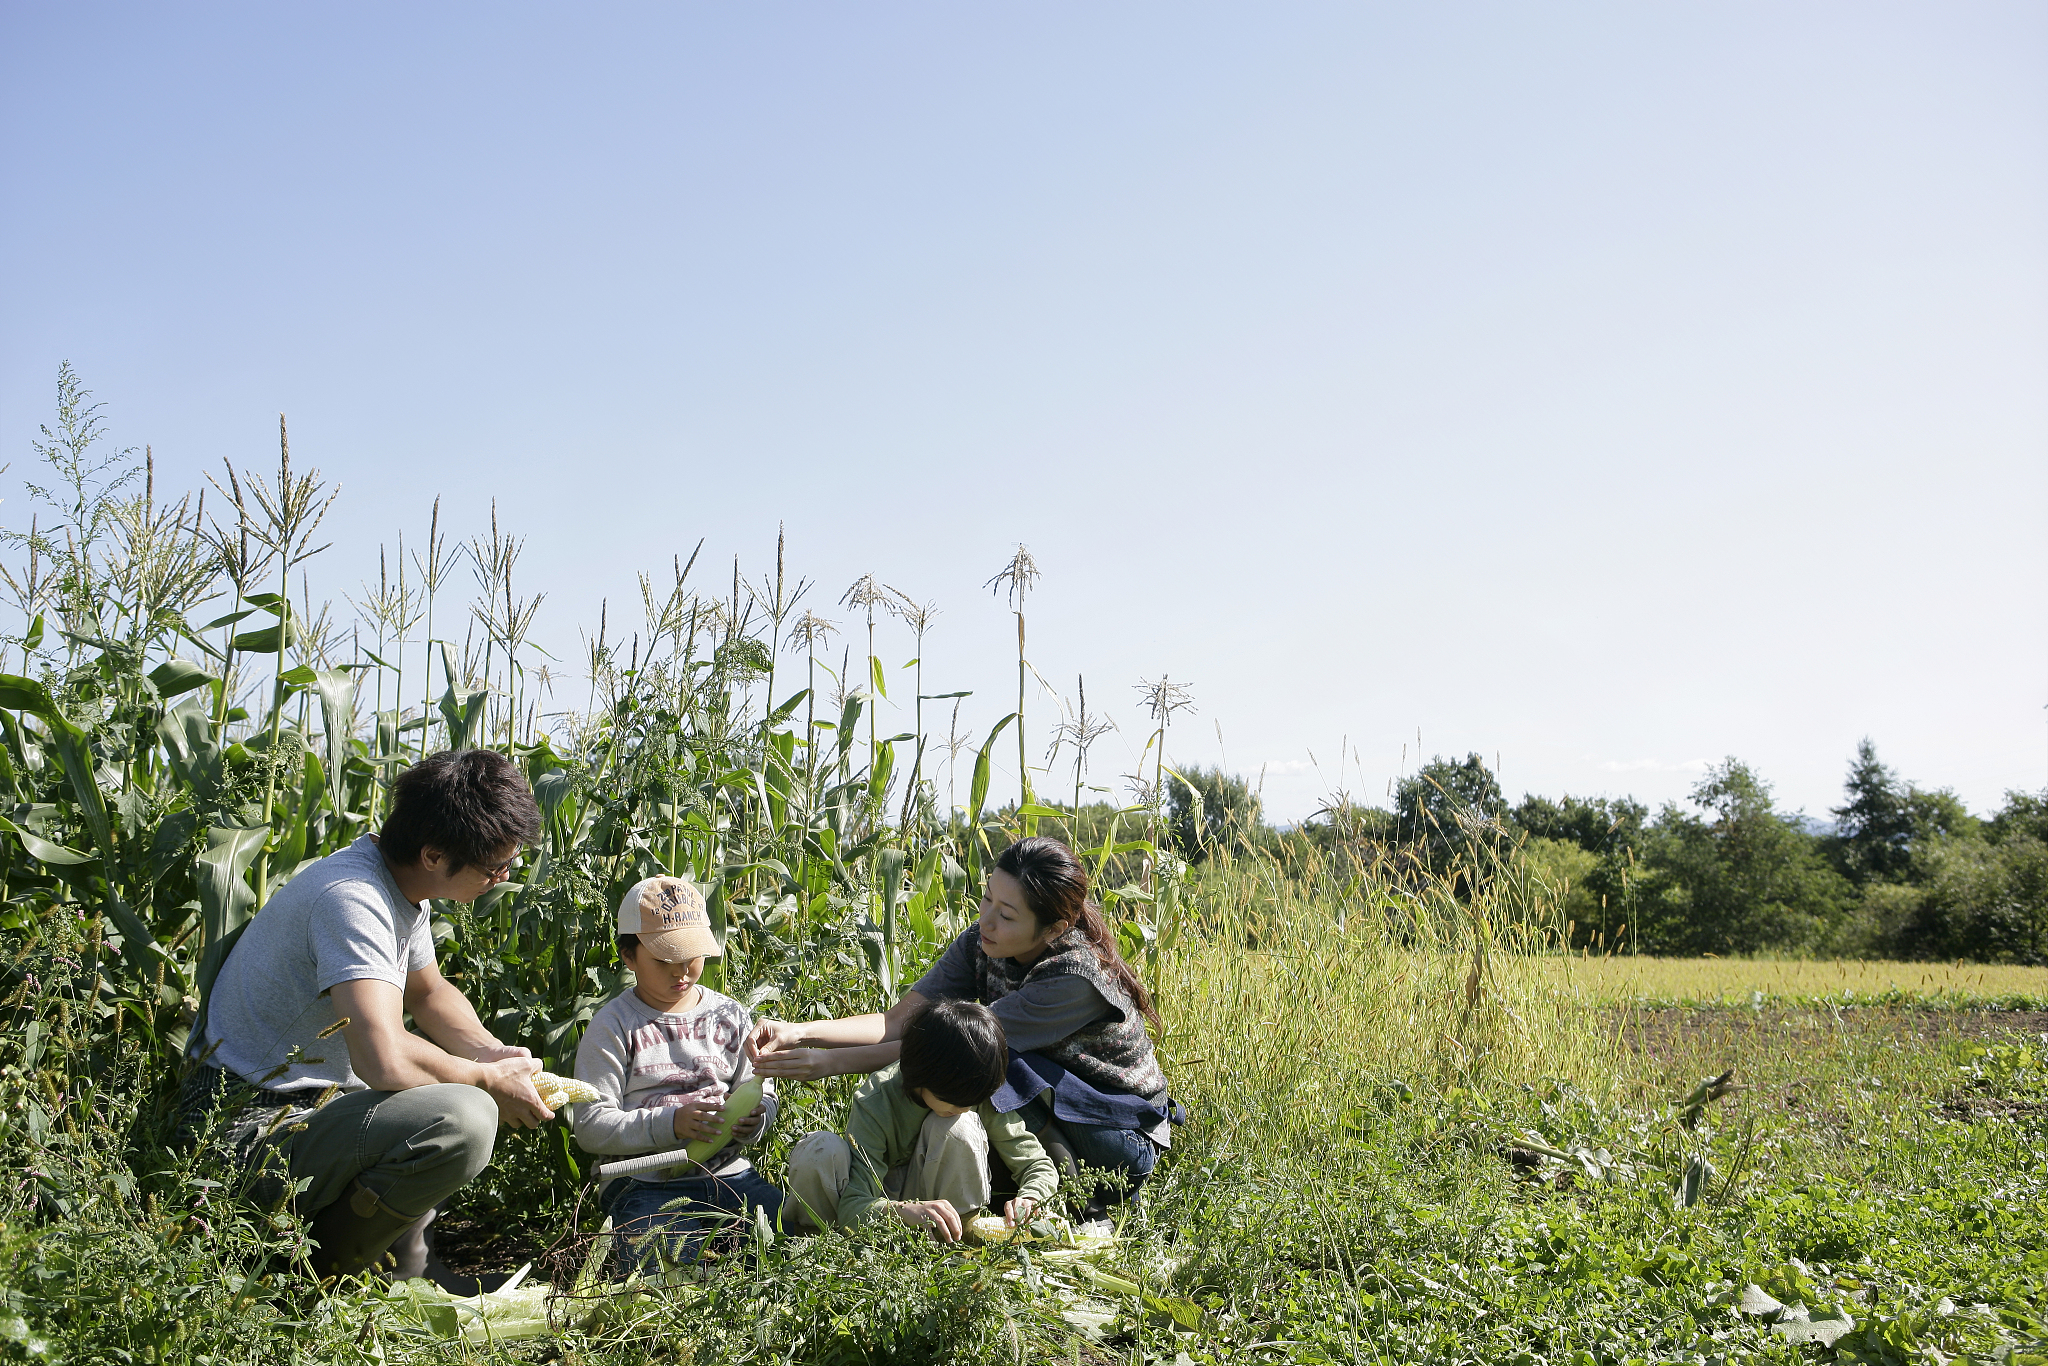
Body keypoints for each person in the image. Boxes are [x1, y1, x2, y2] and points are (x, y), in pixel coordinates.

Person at [177, 748, 549, 1288]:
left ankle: (399, 1277)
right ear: (432, 854)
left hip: (315, 1104)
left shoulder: (400, 884)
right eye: (495, 867)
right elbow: (384, 1059)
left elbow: (429, 993)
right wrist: (487, 1080)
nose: (504, 877)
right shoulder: (352, 900)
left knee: (436, 1101)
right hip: (241, 1126)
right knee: (461, 1120)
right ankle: (299, 1283)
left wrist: (493, 1053)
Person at [752, 836, 1172, 1218]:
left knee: (990, 1055)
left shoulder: (1074, 978)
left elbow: (943, 1051)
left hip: (1117, 1133)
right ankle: (1011, 1193)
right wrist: (799, 1032)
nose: (986, 921)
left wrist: (826, 1065)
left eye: (1006, 915)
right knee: (984, 1061)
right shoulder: (981, 942)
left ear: (1056, 928)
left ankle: (1083, 1200)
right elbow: (900, 1022)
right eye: (987, 900)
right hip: (1047, 1101)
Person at [570, 875, 783, 1273]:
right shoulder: (613, 1027)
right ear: (628, 956)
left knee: (784, 1246)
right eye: (665, 961)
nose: (681, 973)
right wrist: (671, 1123)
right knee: (662, 1271)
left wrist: (758, 1117)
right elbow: (591, 1126)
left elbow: (759, 1086)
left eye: (691, 958)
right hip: (643, 1181)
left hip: (726, 1175)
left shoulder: (728, 1015)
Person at [783, 1000, 1056, 1241]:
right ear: (922, 1076)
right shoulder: (876, 1100)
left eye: (969, 1102)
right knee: (820, 1148)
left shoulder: (973, 1090)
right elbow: (854, 1204)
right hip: (880, 1212)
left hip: (937, 1217)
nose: (963, 1107)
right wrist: (906, 1212)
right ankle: (813, 1244)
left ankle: (959, 1234)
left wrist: (1031, 1197)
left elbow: (1037, 1164)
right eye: (955, 1101)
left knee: (959, 1126)